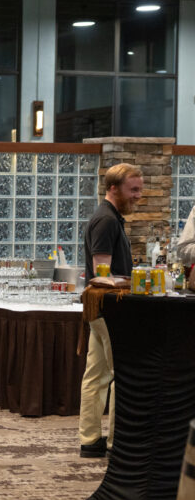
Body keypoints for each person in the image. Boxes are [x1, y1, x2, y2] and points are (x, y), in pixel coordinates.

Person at [79, 163, 144, 458]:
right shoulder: (106, 220)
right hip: (109, 308)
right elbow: (101, 274)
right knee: (122, 373)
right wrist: (136, 281)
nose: (138, 196)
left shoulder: (110, 218)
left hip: (101, 309)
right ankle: (117, 442)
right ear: (113, 188)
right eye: (134, 190)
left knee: (96, 374)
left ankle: (90, 439)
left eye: (140, 189)